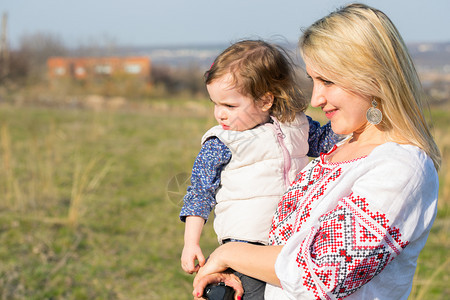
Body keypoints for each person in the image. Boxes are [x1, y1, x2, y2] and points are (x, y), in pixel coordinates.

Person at [192, 3, 441, 300]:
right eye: (313, 81)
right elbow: (282, 253)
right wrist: (236, 278)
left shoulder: (401, 168)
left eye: (328, 81)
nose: (315, 99)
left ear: (373, 78)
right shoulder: (338, 148)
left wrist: (230, 253)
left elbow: (320, 273)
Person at [179, 40, 340, 298]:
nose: (219, 114)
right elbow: (199, 193)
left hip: (292, 243)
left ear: (266, 100)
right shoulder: (221, 142)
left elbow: (325, 142)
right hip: (244, 245)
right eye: (215, 104)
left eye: (230, 106)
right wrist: (191, 243)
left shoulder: (296, 124)